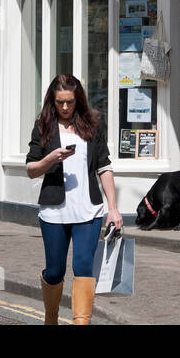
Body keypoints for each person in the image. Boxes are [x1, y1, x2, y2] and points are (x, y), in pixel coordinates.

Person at [25, 74, 121, 325]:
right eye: (60, 102)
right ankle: (51, 316)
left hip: (88, 211)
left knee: (84, 267)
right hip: (54, 212)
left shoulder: (92, 125)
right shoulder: (43, 127)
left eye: (69, 102)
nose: (65, 107)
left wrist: (113, 209)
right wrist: (51, 158)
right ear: (52, 102)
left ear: (78, 100)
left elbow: (104, 168)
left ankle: (81, 322)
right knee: (55, 271)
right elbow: (31, 169)